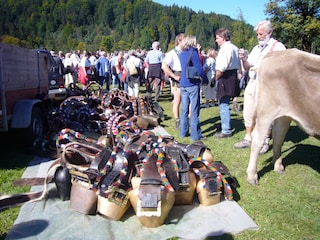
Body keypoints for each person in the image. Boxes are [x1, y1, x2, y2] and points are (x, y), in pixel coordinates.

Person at [234, 20, 286, 153]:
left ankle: (264, 141)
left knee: (264, 114)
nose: (259, 36)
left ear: (270, 32)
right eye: (257, 34)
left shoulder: (278, 47)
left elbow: (283, 68)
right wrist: (244, 59)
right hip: (252, 83)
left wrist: (264, 69)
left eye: (261, 34)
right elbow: (247, 67)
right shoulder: (256, 49)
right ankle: (248, 137)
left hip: (267, 86)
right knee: (248, 112)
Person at [179, 35, 208, 141]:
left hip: (183, 83)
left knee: (184, 109)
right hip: (192, 83)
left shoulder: (182, 53)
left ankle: (183, 132)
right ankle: (195, 135)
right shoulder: (193, 53)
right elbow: (199, 69)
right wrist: (205, 79)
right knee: (195, 109)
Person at [213, 28, 241, 138]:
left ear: (223, 38)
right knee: (225, 103)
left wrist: (215, 78)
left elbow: (222, 67)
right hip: (232, 75)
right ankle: (226, 127)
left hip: (225, 77)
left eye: (217, 38)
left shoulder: (225, 49)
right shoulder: (234, 47)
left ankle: (226, 130)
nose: (216, 40)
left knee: (223, 104)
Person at [161, 33, 186, 129]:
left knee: (187, 100)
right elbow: (164, 66)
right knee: (177, 100)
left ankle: (187, 119)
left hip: (186, 75)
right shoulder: (172, 53)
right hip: (178, 76)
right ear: (179, 41)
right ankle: (177, 120)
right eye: (184, 40)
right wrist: (174, 76)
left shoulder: (186, 51)